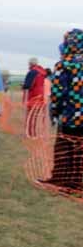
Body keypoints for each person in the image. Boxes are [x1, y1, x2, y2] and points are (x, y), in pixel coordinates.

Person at [47, 29, 83, 193]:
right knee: (80, 151)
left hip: (70, 115)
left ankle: (62, 180)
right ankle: (78, 184)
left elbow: (58, 93)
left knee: (64, 147)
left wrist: (54, 111)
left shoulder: (64, 64)